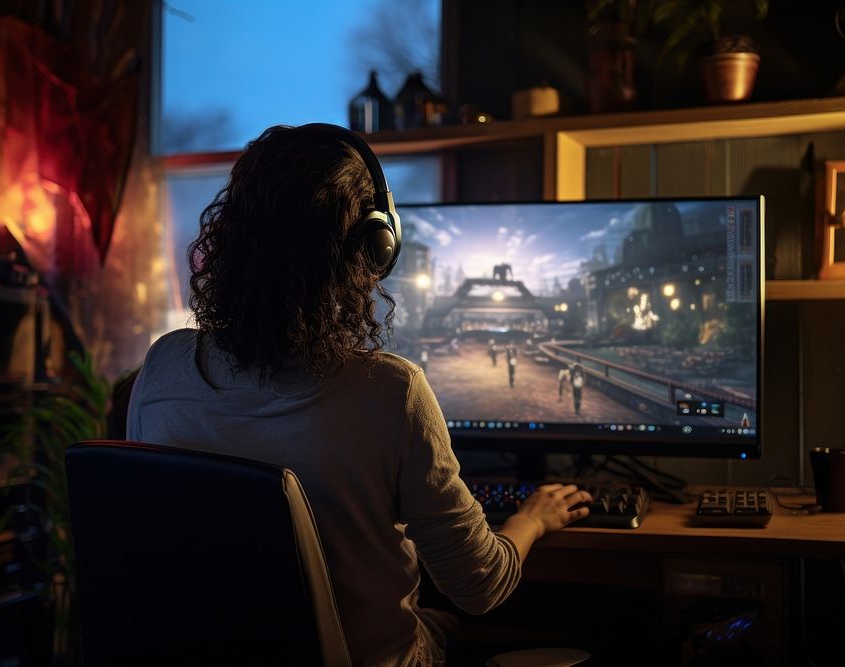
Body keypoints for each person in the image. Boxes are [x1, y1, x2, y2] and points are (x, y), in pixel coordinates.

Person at [125, 124, 591, 667]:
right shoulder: (391, 392)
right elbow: (479, 586)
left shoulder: (162, 369)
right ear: (374, 249)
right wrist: (532, 517)